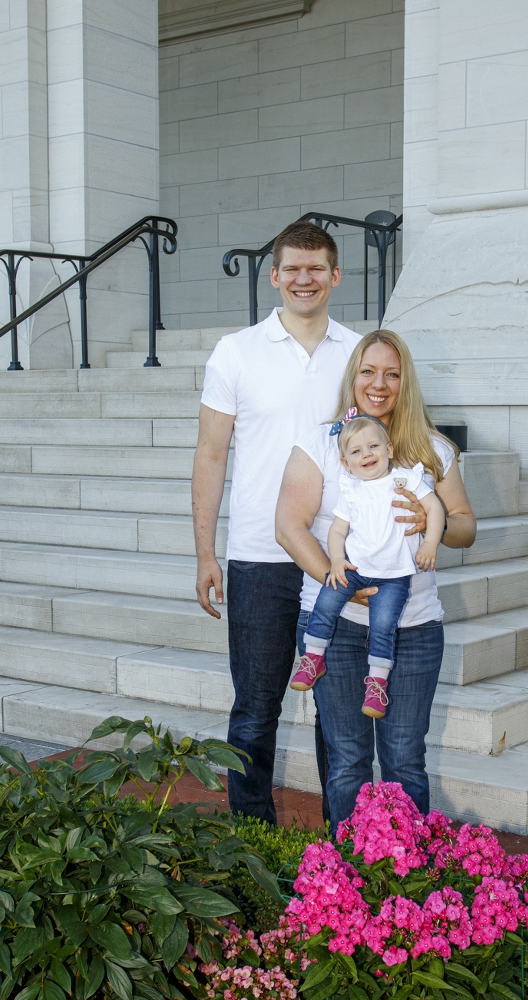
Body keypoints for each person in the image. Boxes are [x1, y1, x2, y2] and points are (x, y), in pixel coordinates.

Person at [191, 222, 423, 825]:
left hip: (339, 561)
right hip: (259, 559)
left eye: (316, 267)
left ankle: (338, 850)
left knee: (339, 719)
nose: (304, 278)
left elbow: (395, 440)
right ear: (273, 275)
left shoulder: (358, 355)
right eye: (292, 267)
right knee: (255, 709)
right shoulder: (235, 352)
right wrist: (205, 554)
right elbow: (211, 455)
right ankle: (251, 842)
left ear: (335, 275)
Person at [275, 330, 477, 835]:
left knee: (405, 760)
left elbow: (466, 525)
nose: (379, 384)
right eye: (368, 371)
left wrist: (435, 525)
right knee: (346, 760)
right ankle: (346, 881)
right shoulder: (323, 444)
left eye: (392, 373)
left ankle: (408, 883)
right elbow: (288, 526)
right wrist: (337, 579)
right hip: (337, 626)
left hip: (413, 627)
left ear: (405, 380)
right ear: (353, 375)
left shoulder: (431, 450)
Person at [290, 412, 445, 720]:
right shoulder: (351, 490)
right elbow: (337, 531)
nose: (366, 455)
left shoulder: (404, 479)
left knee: (384, 625)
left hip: (394, 577)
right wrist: (336, 561)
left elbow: (434, 508)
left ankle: (377, 684)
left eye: (373, 446)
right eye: (356, 452)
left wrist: (429, 544)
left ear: (388, 449)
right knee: (325, 602)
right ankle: (313, 659)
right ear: (346, 463)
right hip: (355, 570)